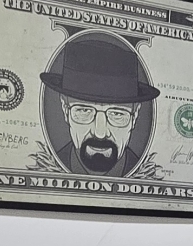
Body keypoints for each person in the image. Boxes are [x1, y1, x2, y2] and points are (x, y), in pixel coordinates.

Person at [39, 30, 158, 176]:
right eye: (84, 111)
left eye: (117, 114)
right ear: (65, 109)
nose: (100, 133)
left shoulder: (141, 168)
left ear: (135, 115)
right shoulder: (55, 162)